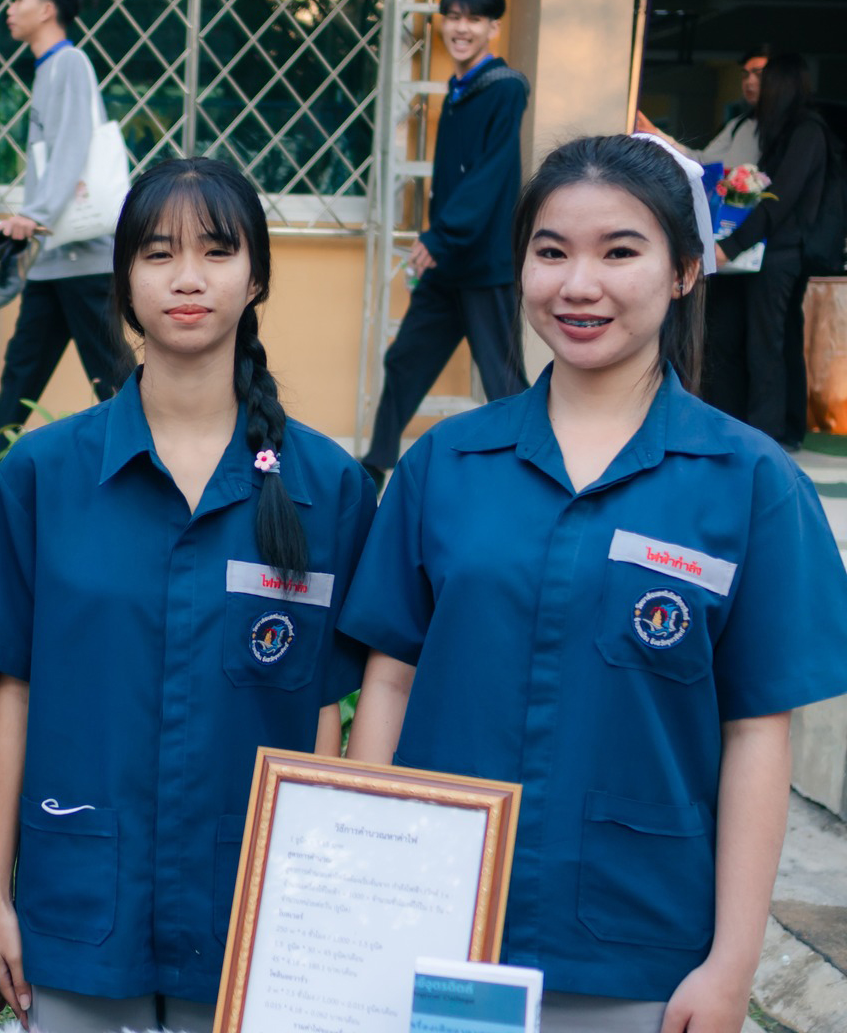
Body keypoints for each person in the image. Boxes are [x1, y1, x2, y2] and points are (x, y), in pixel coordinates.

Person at [343, 134, 847, 1033]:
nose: (579, 285)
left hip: (638, 950)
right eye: (551, 252)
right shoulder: (446, 464)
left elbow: (758, 738)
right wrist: (362, 898)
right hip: (439, 929)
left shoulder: (753, 485)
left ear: (687, 270)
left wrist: (733, 967)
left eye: (621, 251)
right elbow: (389, 681)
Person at [0, 159, 377, 1032]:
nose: (187, 278)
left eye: (217, 252)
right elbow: (12, 690)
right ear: (124, 282)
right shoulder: (43, 475)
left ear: (256, 275)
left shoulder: (326, 488)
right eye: (158, 254)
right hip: (76, 908)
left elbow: (331, 712)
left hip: (256, 912)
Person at [362, 0, 530, 487]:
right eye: (453, 17)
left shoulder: (505, 87)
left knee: (503, 380)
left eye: (474, 19)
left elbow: (490, 174)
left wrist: (440, 235)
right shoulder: (459, 90)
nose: (461, 27)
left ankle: (535, 468)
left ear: (492, 28)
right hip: (448, 263)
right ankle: (374, 466)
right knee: (405, 358)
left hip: (483, 263)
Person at [0, 0, 129, 458]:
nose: (9, 8)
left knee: (110, 371)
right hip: (55, 255)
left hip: (81, 256)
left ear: (47, 9)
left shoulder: (69, 63)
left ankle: (150, 451)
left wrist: (36, 213)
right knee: (24, 363)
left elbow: (71, 147)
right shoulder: (48, 69)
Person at [707, 52, 830, 450]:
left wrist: (731, 245)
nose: (754, 83)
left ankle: (767, 439)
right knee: (742, 339)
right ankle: (749, 430)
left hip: (778, 254)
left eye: (763, 76)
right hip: (757, 251)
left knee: (767, 346)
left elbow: (780, 200)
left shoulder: (806, 130)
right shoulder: (771, 129)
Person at [636, 44, 768, 168]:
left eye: (759, 74)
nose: (749, 81)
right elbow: (702, 162)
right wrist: (655, 133)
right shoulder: (739, 125)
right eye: (745, 75)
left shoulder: (786, 130)